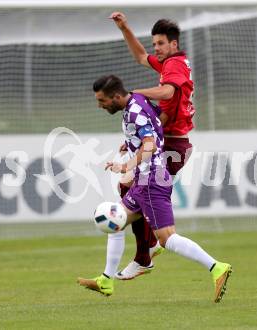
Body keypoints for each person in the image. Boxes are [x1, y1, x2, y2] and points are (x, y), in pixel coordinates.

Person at [77, 75, 232, 303]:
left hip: (152, 181)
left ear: (117, 97)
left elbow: (149, 143)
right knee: (116, 221)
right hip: (145, 179)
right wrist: (131, 142)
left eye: (102, 101)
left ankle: (217, 267)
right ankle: (106, 279)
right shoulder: (138, 100)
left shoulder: (133, 112)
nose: (100, 105)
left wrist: (126, 164)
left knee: (167, 239)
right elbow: (156, 124)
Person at [110, 12, 195, 279]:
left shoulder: (175, 65)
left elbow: (168, 92)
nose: (155, 49)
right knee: (129, 188)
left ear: (173, 44)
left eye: (159, 44)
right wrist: (124, 28)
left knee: (133, 190)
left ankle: (144, 255)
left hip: (172, 145)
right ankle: (147, 250)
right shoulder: (168, 63)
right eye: (154, 43)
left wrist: (136, 94)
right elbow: (139, 57)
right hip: (168, 143)